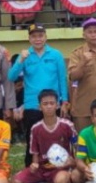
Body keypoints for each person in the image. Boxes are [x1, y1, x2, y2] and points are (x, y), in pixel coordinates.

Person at [9, 24, 69, 167]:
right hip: (32, 105)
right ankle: (31, 169)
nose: (37, 39)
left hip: (53, 104)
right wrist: (20, 61)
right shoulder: (25, 55)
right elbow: (11, 77)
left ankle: (58, 168)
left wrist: (65, 102)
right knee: (32, 139)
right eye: (34, 36)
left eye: (40, 36)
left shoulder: (56, 55)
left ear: (46, 37)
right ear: (29, 38)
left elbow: (62, 79)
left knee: (56, 138)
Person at [10, 89, 76, 183]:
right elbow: (35, 152)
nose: (49, 106)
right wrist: (34, 164)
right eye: (45, 104)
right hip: (42, 167)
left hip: (60, 167)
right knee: (15, 182)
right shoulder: (36, 128)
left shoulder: (67, 125)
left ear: (57, 105)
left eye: (52, 103)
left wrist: (73, 161)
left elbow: (77, 145)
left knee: (63, 180)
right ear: (39, 107)